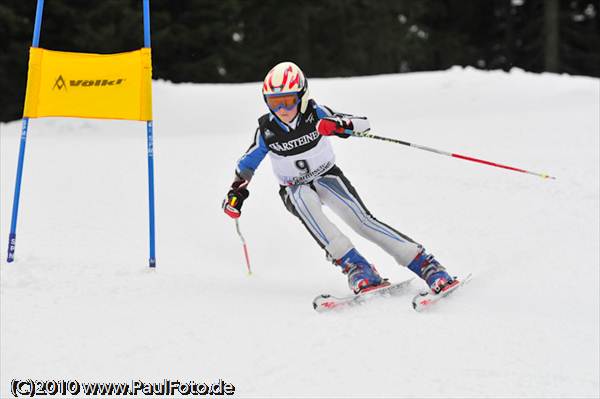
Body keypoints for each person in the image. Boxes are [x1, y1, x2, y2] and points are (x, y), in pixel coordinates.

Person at [222, 61, 457, 295]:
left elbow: (362, 124)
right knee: (306, 204)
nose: (282, 109)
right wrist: (236, 193)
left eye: (288, 100)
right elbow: (247, 164)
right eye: (274, 102)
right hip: (293, 187)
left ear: (302, 96)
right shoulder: (266, 130)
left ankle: (426, 264)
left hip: (327, 176)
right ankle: (357, 267)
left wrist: (336, 125)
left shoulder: (316, 113)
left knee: (361, 221)